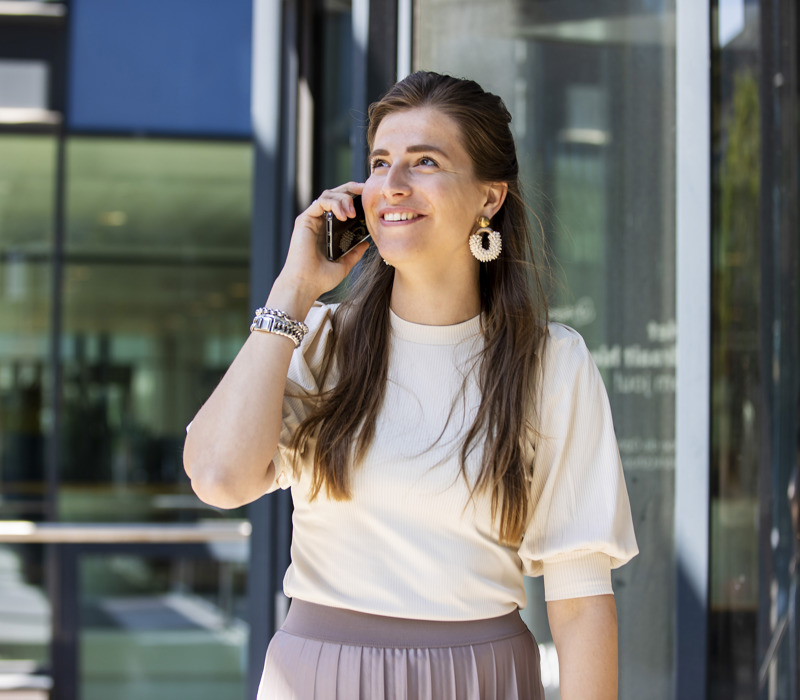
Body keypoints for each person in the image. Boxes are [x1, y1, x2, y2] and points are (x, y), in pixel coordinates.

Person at [183, 71, 638, 700]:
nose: (391, 184)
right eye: (379, 162)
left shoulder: (550, 362)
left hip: (482, 681)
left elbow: (582, 603)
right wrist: (293, 289)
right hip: (317, 679)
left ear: (490, 197)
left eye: (424, 161)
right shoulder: (316, 339)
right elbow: (218, 477)